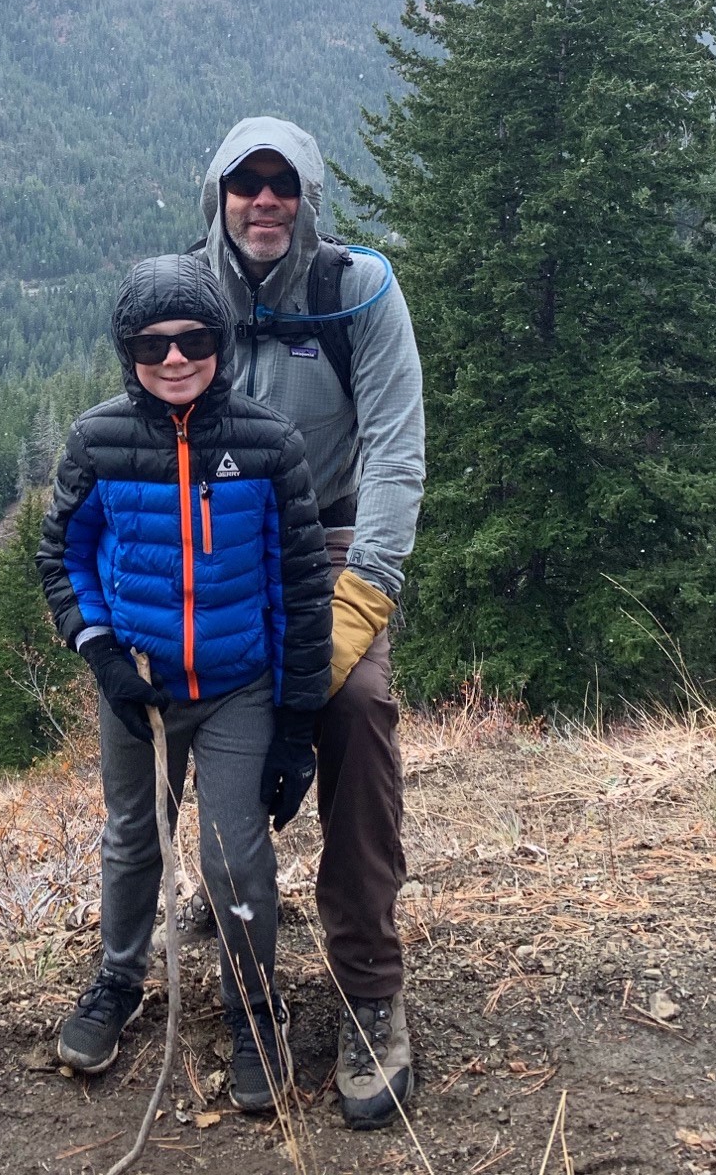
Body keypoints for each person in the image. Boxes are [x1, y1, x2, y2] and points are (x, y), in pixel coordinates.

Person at [36, 253, 331, 1114]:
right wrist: (100, 654)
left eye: (194, 339)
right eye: (151, 343)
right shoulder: (98, 441)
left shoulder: (268, 444)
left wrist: (298, 726)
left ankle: (253, 1009)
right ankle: (119, 980)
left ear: (221, 342)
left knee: (235, 855)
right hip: (139, 684)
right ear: (126, 350)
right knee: (136, 836)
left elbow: (302, 590)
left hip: (241, 686)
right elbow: (62, 556)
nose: (173, 358)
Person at [198, 117, 425, 1129]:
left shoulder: (357, 292)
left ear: (309, 196)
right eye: (245, 181)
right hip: (217, 547)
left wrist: (362, 596)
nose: (264, 199)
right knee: (187, 704)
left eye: (282, 182)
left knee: (357, 708)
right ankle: (215, 901)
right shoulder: (186, 295)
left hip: (328, 541)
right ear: (218, 193)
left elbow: (396, 451)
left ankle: (369, 981)